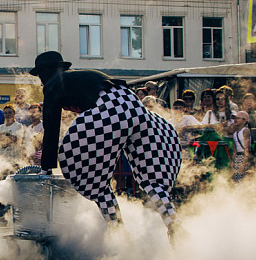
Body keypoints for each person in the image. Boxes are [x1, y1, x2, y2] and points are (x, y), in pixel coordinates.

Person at [29, 51, 182, 242]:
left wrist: (46, 167)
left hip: (111, 112)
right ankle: (173, 223)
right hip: (139, 111)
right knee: (151, 179)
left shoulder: (53, 84)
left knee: (94, 179)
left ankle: (119, 232)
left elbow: (51, 127)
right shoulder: (84, 77)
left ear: (44, 73)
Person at [0, 104, 24, 169]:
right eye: (5, 113)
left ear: (14, 114)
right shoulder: (1, 127)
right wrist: (8, 137)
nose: (7, 114)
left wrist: (2, 137)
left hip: (14, 159)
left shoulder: (18, 126)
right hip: (2, 159)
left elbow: (14, 139)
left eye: (9, 112)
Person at [232, 111, 251, 182]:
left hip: (243, 157)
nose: (235, 120)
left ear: (244, 121)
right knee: (236, 179)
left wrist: (243, 164)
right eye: (235, 118)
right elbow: (235, 150)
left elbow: (247, 149)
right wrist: (233, 163)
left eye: (238, 118)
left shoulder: (245, 131)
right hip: (237, 157)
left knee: (242, 179)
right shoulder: (235, 133)